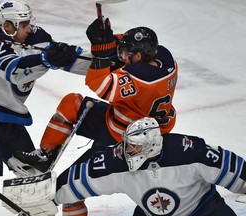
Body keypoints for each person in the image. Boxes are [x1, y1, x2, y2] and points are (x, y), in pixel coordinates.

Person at [15, 18, 178, 215]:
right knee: (72, 103)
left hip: (125, 141)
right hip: (120, 119)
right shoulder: (164, 57)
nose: (123, 57)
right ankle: (45, 156)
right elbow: (121, 47)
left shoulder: (144, 76)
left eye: (128, 55)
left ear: (140, 56)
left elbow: (100, 85)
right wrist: (106, 41)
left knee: (70, 191)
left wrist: (100, 54)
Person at [0, 1, 91, 215]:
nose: (29, 28)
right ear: (8, 26)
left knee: (33, 183)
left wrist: (110, 61)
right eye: (24, 24)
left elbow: (69, 60)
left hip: (12, 123)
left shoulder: (36, 37)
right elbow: (12, 71)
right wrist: (44, 59)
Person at [6, 117, 244, 215]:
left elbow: (235, 170)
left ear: (150, 147)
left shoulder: (190, 152)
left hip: (204, 210)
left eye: (133, 148)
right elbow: (77, 181)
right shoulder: (115, 163)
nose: (125, 151)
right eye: (126, 145)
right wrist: (43, 199)